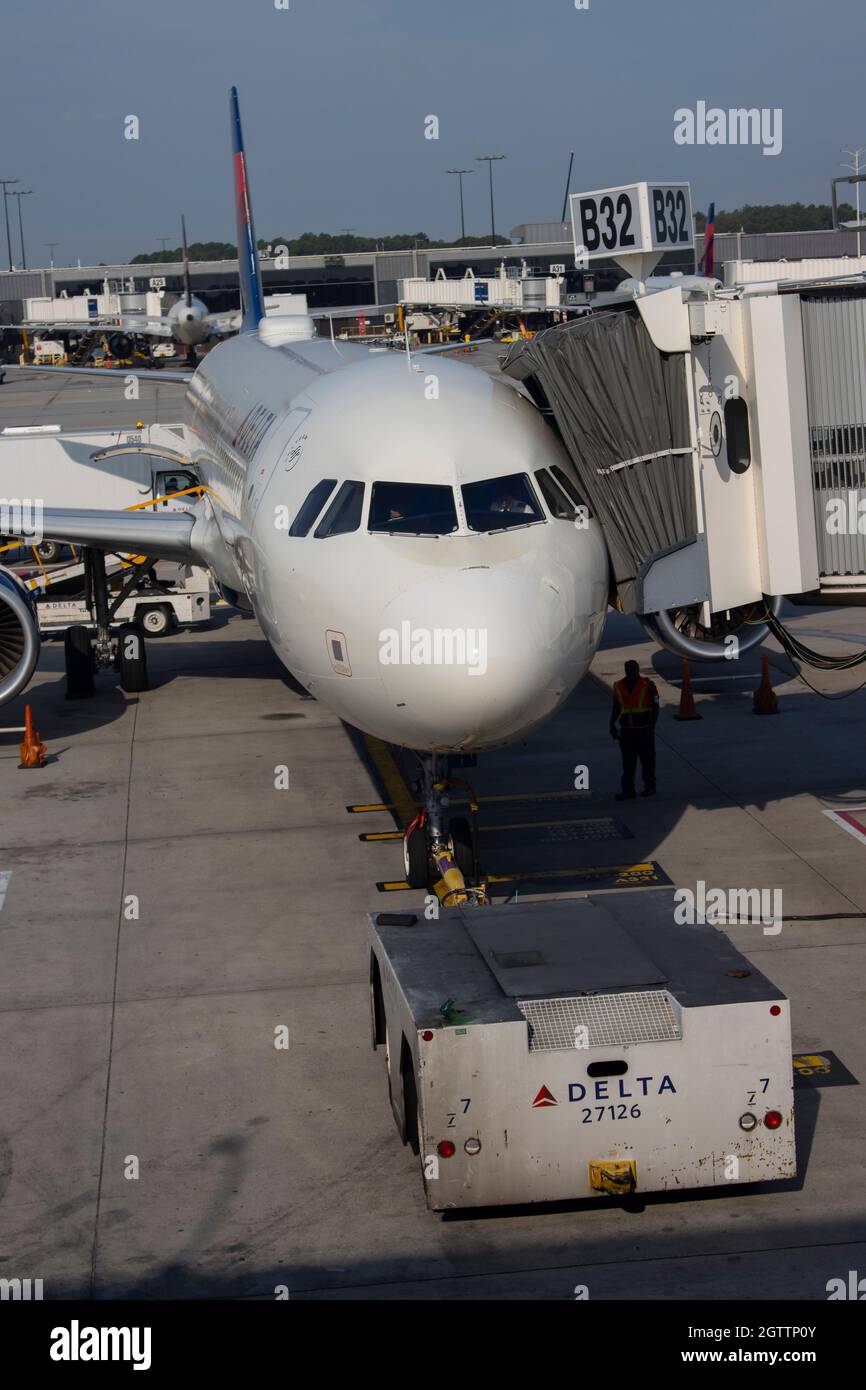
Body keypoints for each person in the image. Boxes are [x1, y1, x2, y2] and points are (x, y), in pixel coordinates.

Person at [610, 659, 659, 799]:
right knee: (628, 764)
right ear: (625, 670)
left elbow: (655, 706)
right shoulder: (618, 686)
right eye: (628, 669)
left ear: (638, 669)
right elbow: (616, 707)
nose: (630, 671)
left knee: (647, 762)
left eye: (633, 669)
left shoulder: (648, 685)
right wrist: (612, 724)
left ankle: (650, 787)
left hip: (644, 731)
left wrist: (652, 726)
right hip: (627, 732)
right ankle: (628, 790)